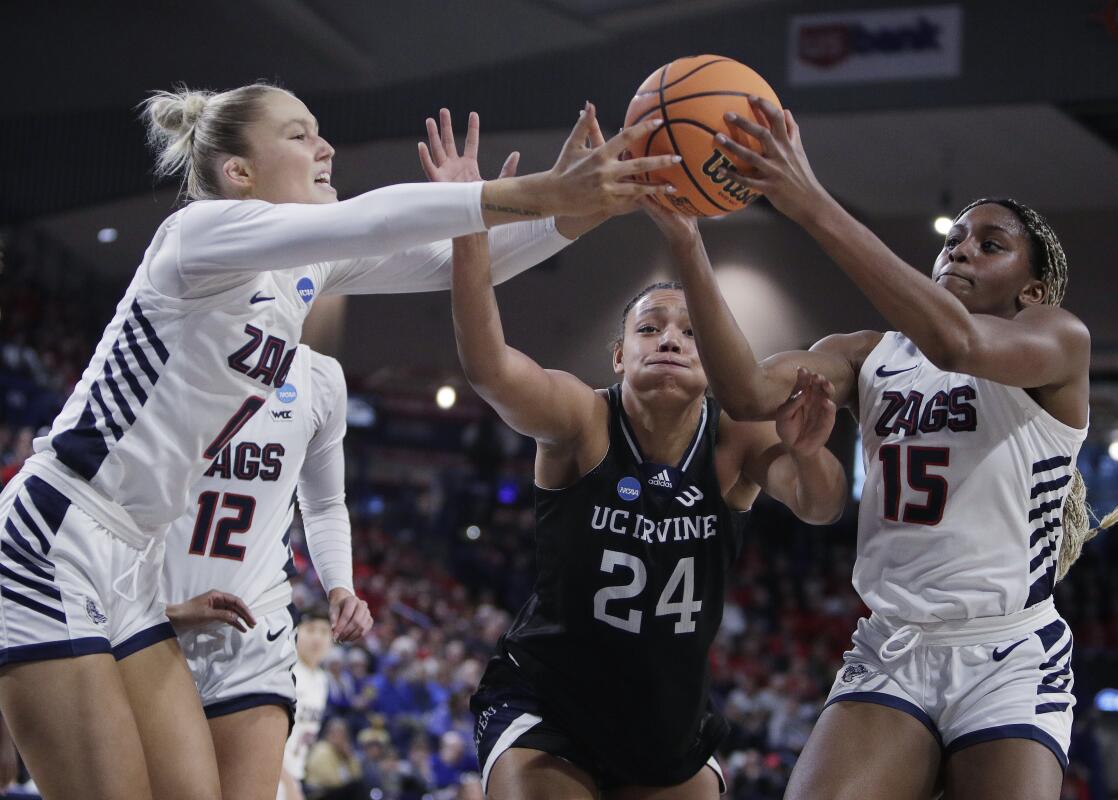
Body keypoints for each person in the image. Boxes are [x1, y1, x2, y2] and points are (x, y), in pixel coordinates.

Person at [0, 81, 677, 800]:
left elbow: (461, 262)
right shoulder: (200, 235)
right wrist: (544, 188)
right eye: (299, 135)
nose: (325, 148)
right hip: (57, 535)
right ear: (240, 174)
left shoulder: (302, 265)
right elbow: (373, 221)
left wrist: (590, 205)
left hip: (131, 563)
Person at [657, 95, 1118, 800]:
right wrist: (688, 247)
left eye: (989, 243)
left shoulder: (1058, 341)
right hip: (892, 645)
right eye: (954, 240)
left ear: (1033, 290)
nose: (961, 250)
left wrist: (809, 202)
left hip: (1007, 652)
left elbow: (960, 341)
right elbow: (747, 394)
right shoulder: (868, 355)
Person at [445, 112, 848, 795]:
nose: (670, 340)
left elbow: (822, 505)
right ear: (619, 355)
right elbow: (489, 367)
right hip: (547, 705)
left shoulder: (735, 439)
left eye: (691, 332)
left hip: (667, 722)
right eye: (651, 328)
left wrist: (808, 455)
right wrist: (468, 221)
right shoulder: (584, 421)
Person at [161, 343, 362, 800]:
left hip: (255, 626)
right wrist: (159, 610)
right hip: (156, 627)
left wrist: (339, 585)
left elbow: (326, 502)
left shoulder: (318, 377)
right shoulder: (173, 344)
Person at [280, 612, 337, 800]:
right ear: (295, 632)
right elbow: (267, 737)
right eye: (311, 629)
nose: (317, 637)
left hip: (294, 773)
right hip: (270, 771)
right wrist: (289, 784)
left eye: (324, 631)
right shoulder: (286, 671)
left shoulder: (322, 680)